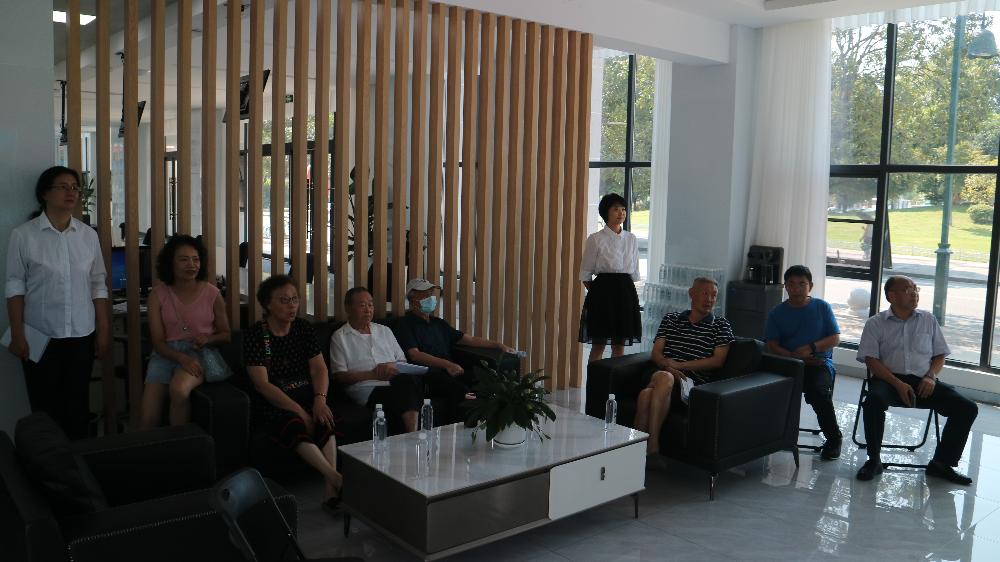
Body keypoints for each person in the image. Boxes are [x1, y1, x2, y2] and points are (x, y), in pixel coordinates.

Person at [5, 166, 110, 439]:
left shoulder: (88, 236)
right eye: (63, 187)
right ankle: (46, 461)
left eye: (75, 188)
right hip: (39, 335)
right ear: (45, 194)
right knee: (44, 408)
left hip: (81, 334)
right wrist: (17, 333)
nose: (71, 192)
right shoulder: (24, 235)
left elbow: (98, 284)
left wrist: (103, 329)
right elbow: (15, 286)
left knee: (77, 405)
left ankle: (77, 460)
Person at [855, 275, 978, 484]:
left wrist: (931, 377)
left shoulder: (928, 319)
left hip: (923, 382)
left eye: (915, 289)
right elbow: (871, 360)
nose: (914, 293)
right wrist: (897, 383)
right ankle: (873, 460)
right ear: (891, 296)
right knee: (873, 401)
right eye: (907, 289)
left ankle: (941, 463)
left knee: (966, 408)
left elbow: (940, 355)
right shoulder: (876, 323)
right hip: (888, 381)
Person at [243, 275, 343, 507]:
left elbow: (319, 369)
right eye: (284, 300)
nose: (292, 306)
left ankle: (330, 488)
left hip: (306, 394)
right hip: (274, 401)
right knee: (294, 424)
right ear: (268, 304)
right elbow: (262, 384)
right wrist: (299, 410)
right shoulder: (256, 335)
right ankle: (336, 478)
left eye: (295, 299)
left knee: (324, 418)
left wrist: (320, 400)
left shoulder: (303, 328)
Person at [139, 235, 231, 428]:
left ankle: (180, 442)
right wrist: (181, 358)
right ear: (170, 263)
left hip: (199, 353)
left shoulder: (212, 293)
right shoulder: (157, 295)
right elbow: (158, 342)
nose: (191, 265)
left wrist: (208, 339)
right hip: (165, 355)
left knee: (179, 390)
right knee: (148, 419)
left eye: (196, 259)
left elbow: (226, 335)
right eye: (184, 259)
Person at [634, 277, 734, 454]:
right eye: (705, 293)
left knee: (645, 395)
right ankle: (653, 446)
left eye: (714, 295)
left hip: (688, 382)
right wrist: (667, 366)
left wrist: (680, 366)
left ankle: (634, 451)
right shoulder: (671, 319)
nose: (709, 299)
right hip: (659, 371)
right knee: (665, 377)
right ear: (691, 294)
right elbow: (656, 353)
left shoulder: (721, 325)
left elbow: (717, 361)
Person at [393, 278, 513, 419]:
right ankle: (464, 426)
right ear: (413, 300)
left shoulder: (439, 323)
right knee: (461, 391)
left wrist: (498, 345)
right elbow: (415, 355)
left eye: (431, 294)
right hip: (428, 374)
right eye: (426, 295)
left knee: (485, 380)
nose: (431, 298)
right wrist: (447, 364)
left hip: (451, 370)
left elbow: (469, 339)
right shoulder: (405, 323)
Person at [764, 265, 843, 460]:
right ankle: (767, 435)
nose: (797, 289)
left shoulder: (821, 307)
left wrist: (811, 348)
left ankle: (834, 439)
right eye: (791, 284)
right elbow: (772, 345)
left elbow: (835, 338)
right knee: (764, 388)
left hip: (818, 363)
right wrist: (794, 356)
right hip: (788, 363)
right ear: (785, 287)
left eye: (802, 284)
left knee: (818, 392)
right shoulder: (776, 313)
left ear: (811, 286)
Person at [330, 287, 421, 432]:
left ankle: (411, 435)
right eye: (362, 305)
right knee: (405, 389)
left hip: (395, 381)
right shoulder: (339, 337)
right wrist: (374, 374)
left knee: (407, 382)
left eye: (370, 305)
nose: (368, 310)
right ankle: (413, 435)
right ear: (348, 308)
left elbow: (402, 361)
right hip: (367, 390)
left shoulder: (385, 330)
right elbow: (340, 376)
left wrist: (389, 366)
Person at [578, 192, 641, 362]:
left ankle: (614, 378)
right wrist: (598, 294)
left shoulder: (631, 238)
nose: (621, 213)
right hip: (602, 294)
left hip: (625, 293)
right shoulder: (596, 239)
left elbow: (634, 272)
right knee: (598, 344)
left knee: (619, 345)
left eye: (623, 209)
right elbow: (585, 273)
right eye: (616, 209)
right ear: (606, 212)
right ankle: (595, 378)